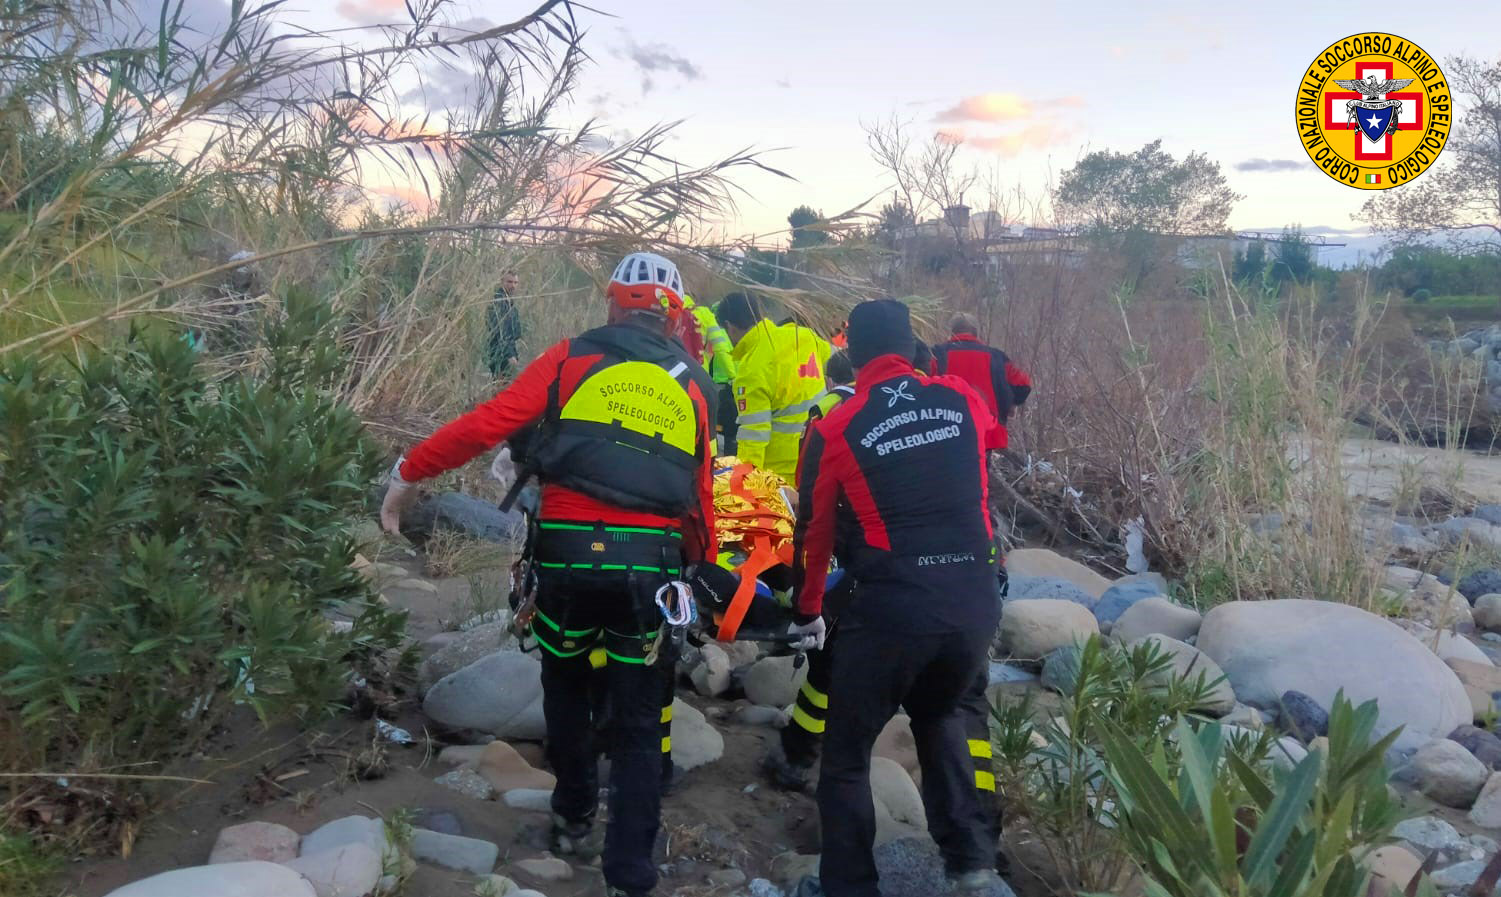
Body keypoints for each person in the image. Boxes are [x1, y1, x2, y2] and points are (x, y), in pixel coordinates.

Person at [381, 252, 717, 897]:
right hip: (648, 569)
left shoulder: (568, 358)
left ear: (613, 303)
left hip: (563, 558)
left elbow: (490, 424)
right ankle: (631, 875)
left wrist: (408, 474)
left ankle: (571, 820)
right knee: (643, 720)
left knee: (565, 687)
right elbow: (697, 497)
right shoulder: (696, 383)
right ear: (674, 318)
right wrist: (696, 568)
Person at [788, 299, 1005, 897]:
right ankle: (972, 867)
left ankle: (850, 886)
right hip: (974, 602)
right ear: (913, 346)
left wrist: (808, 609)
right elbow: (989, 447)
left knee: (848, 756)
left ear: (850, 355)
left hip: (893, 611)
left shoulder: (836, 426)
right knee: (939, 715)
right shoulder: (963, 399)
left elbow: (816, 536)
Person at [716, 292, 830, 480]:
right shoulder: (803, 337)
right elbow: (826, 353)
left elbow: (753, 438)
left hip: (780, 475)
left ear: (729, 327)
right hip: (817, 458)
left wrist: (746, 484)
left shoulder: (751, 369)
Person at [931, 313, 1031, 449]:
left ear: (951, 332)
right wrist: (1009, 404)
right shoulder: (996, 356)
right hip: (987, 432)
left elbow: (916, 383)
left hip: (944, 433)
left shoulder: (936, 354)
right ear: (976, 332)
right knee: (981, 468)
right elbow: (1023, 385)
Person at [682, 295, 739, 453]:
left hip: (669, 375)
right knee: (705, 426)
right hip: (700, 377)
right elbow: (720, 349)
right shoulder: (705, 315)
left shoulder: (667, 312)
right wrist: (734, 376)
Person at [486, 270, 524, 378]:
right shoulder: (499, 301)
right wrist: (509, 355)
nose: (513, 285)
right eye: (509, 282)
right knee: (501, 386)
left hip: (507, 350)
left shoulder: (509, 301)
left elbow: (513, 332)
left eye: (515, 282)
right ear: (502, 281)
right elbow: (500, 331)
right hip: (500, 353)